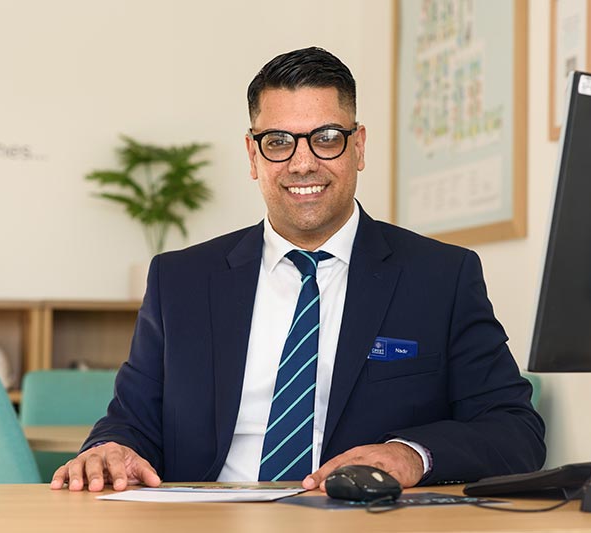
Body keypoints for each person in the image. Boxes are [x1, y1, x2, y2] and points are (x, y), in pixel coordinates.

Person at [51, 46, 545, 493]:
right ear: (253, 155)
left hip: (360, 522)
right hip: (205, 521)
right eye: (279, 141)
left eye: (327, 138)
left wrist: (409, 455)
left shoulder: (441, 276)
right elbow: (131, 421)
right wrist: (111, 448)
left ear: (359, 146)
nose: (302, 162)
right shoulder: (179, 280)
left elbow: (513, 430)